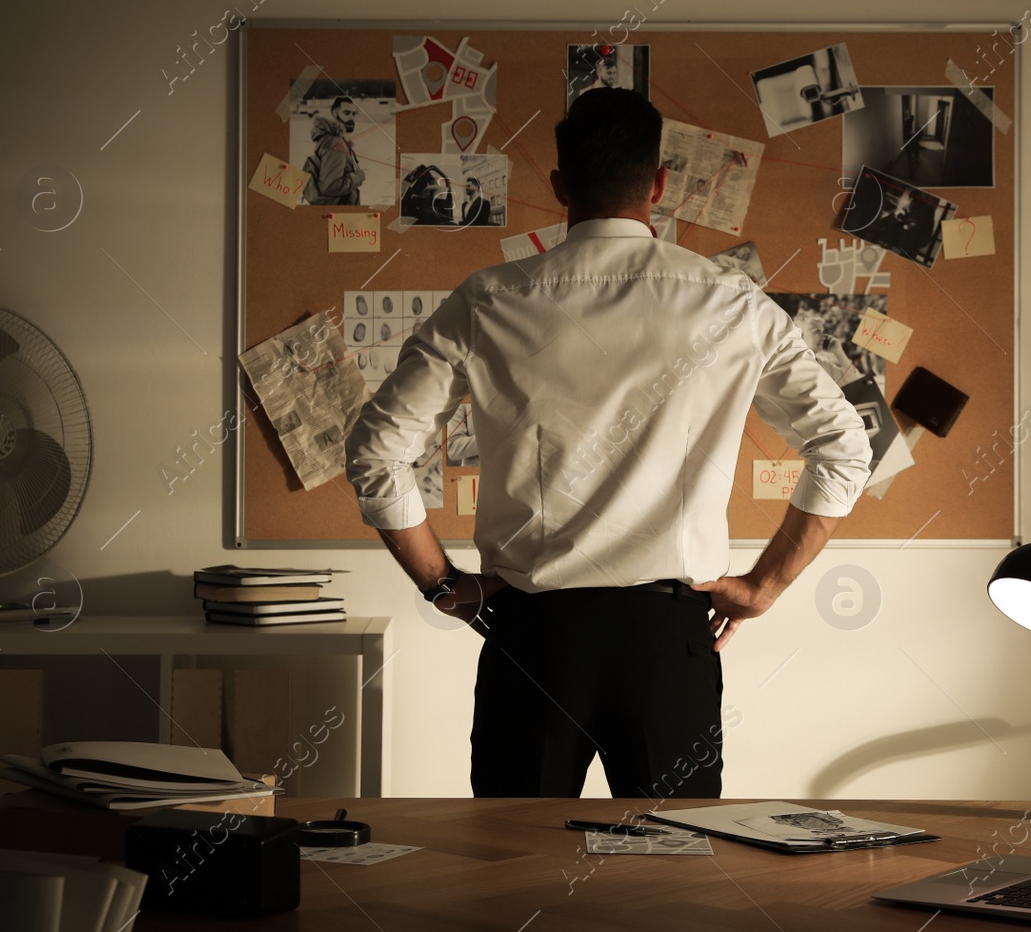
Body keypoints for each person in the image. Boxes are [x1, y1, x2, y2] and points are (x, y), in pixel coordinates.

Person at [345, 88, 871, 800]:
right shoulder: (732, 302)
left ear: (560, 186)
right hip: (666, 643)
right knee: (675, 888)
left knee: (512, 883)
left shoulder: (488, 299)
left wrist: (444, 585)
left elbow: (377, 451)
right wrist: (763, 585)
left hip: (531, 639)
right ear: (658, 184)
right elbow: (844, 445)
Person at [302, 96, 367, 205]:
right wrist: (358, 177)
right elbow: (330, 186)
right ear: (334, 113)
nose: (351, 118)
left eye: (354, 114)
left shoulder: (332, 138)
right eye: (346, 113)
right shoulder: (334, 142)